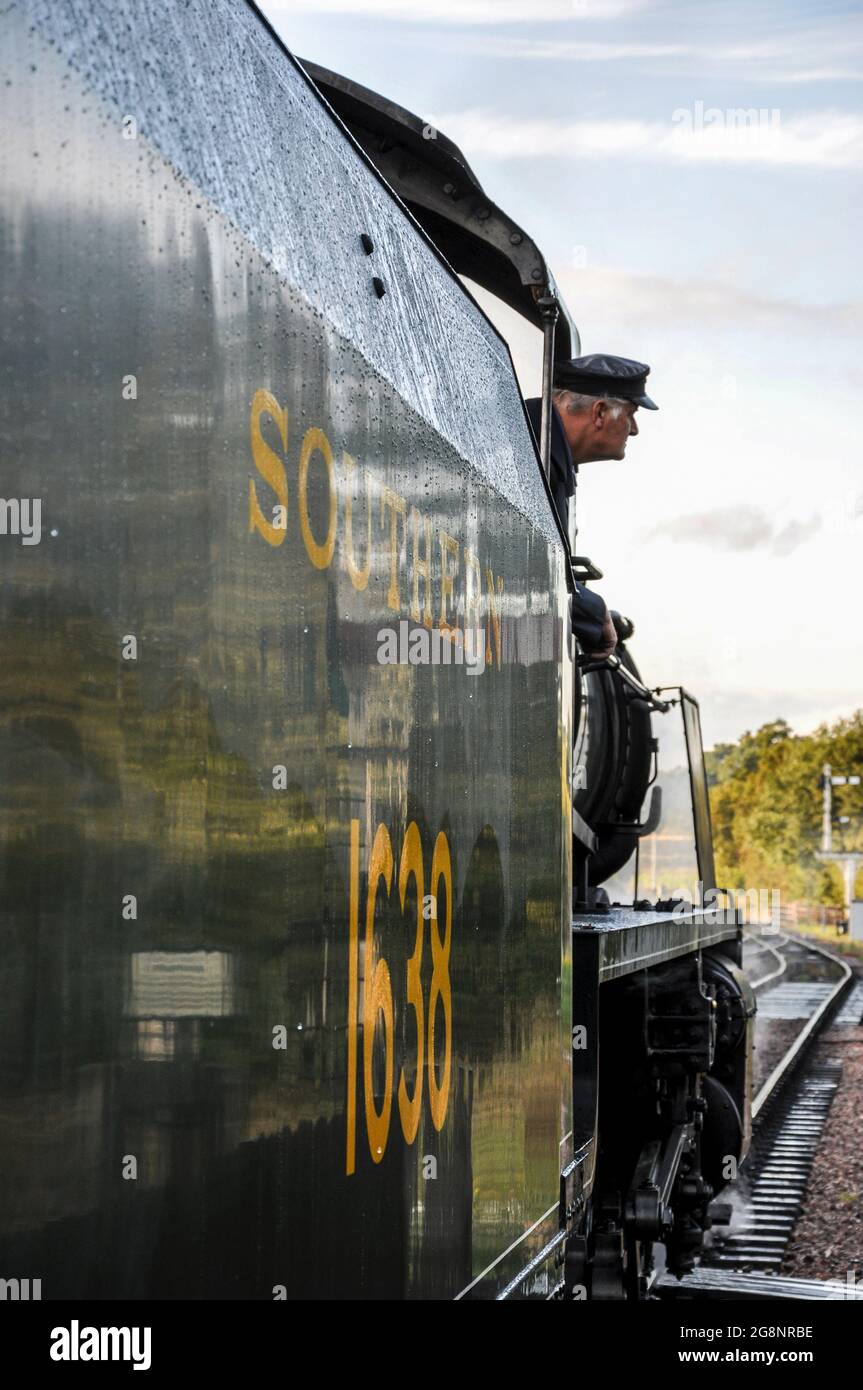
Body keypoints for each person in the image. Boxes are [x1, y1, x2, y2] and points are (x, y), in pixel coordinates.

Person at [525, 353, 658, 659]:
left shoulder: (545, 450)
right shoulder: (531, 450)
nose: (634, 429)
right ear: (600, 413)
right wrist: (592, 612)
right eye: (631, 413)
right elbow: (524, 563)